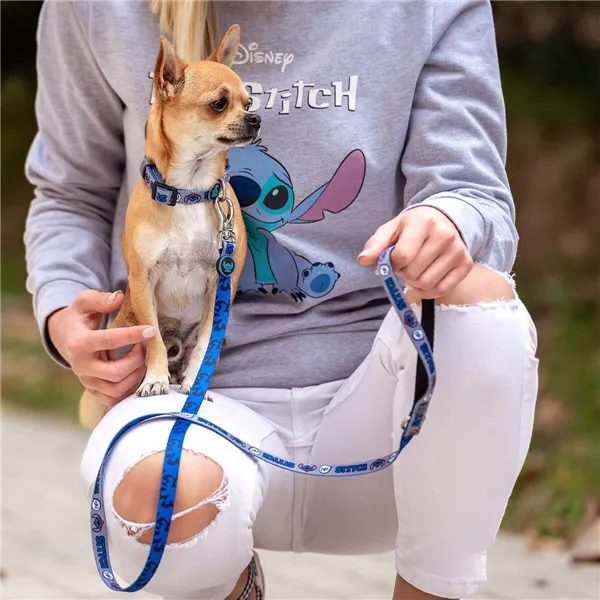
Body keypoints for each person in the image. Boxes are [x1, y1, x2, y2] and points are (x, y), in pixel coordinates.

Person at [24, 1, 539, 599]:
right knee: (152, 498)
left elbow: (473, 189)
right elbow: (70, 191)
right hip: (200, 409)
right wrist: (65, 314)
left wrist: (446, 219)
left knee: (482, 305)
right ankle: (227, 582)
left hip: (387, 410)